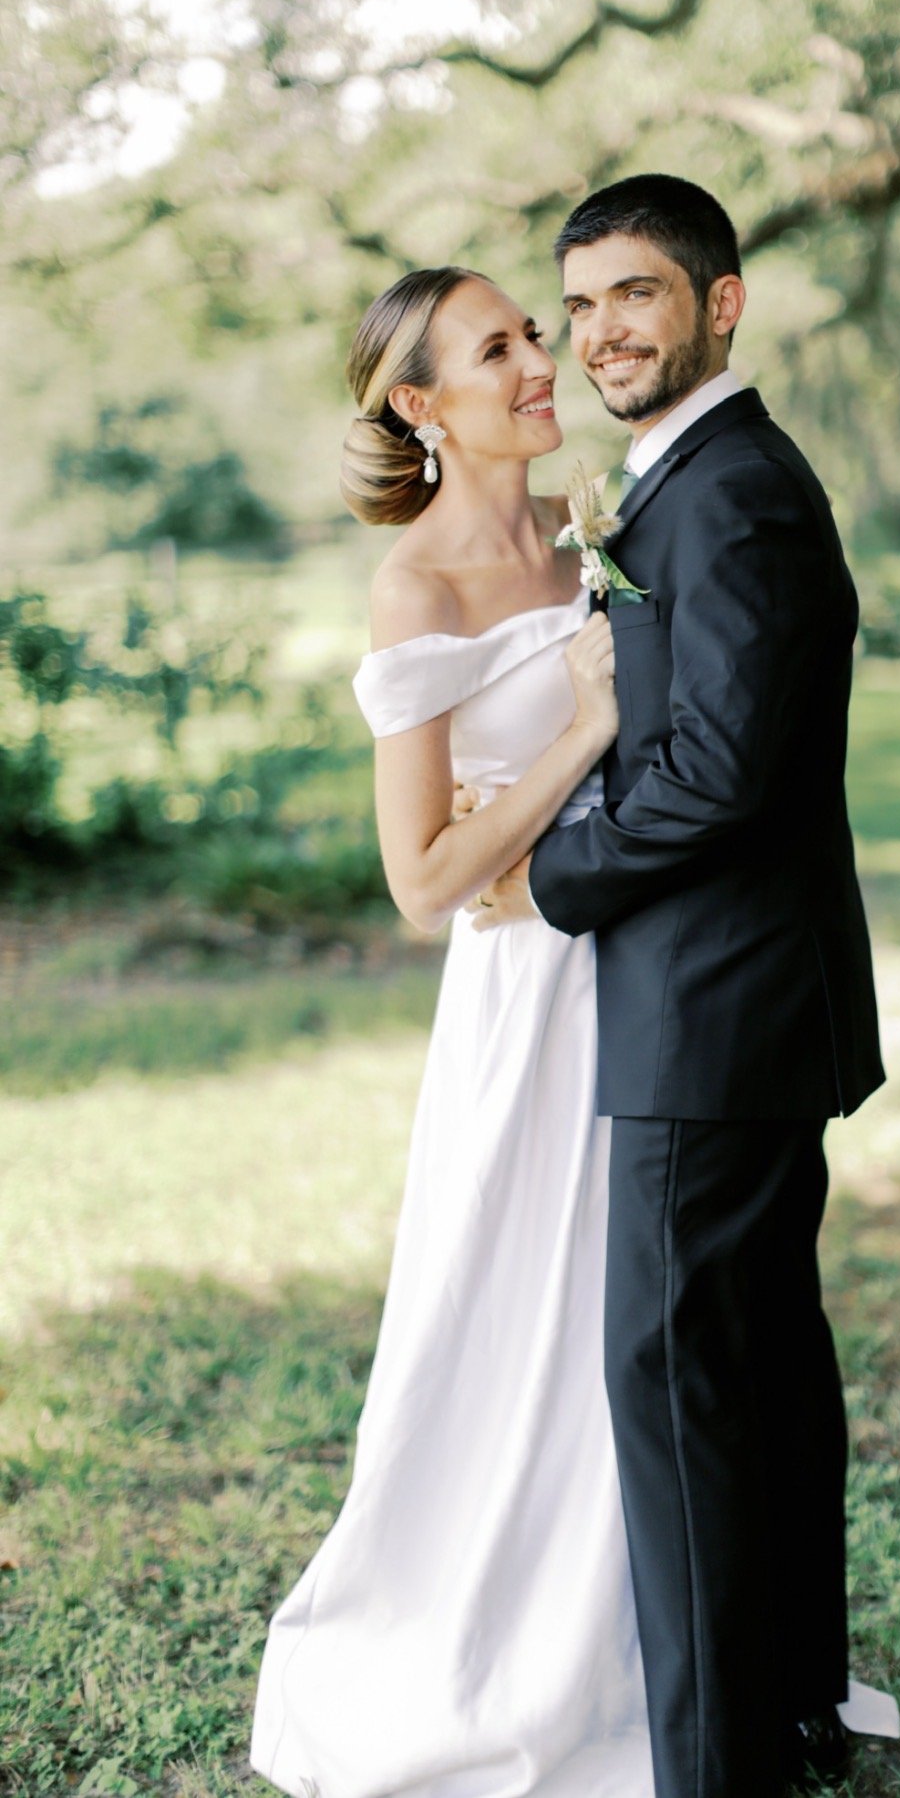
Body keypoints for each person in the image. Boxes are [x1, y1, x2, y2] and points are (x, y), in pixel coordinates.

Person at [471, 174, 893, 1798]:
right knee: (756, 1360)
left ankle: (720, 1765)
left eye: (635, 294)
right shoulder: (693, 480)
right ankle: (788, 1704)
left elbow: (718, 772)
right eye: (578, 305)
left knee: (677, 1377)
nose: (599, 333)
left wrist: (551, 875)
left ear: (723, 301)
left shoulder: (735, 495)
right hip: (740, 1003)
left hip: (710, 1012)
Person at [248, 265, 656, 1797]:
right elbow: (424, 879)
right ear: (422, 403)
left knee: (632, 1319)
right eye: (499, 349)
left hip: (648, 969)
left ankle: (640, 1650)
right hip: (524, 1003)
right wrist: (580, 733)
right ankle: (489, 1669)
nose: (541, 359)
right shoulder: (414, 589)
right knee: (504, 1323)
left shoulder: (588, 530)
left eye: (532, 333)